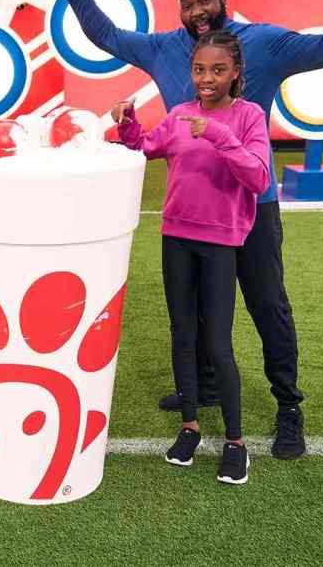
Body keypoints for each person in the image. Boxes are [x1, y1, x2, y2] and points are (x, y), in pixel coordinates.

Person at [53, 0, 323, 459]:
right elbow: (107, 36)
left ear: (224, 1)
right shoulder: (164, 48)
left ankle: (288, 407)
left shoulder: (262, 42)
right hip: (197, 212)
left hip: (252, 206)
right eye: (188, 4)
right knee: (195, 311)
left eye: (206, 1)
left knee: (267, 306)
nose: (198, 11)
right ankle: (207, 390)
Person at [114, 30, 270, 484]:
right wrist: (127, 123)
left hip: (221, 242)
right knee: (182, 335)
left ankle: (236, 443)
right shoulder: (180, 114)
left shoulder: (248, 117)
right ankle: (190, 426)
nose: (207, 78)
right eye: (200, 70)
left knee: (217, 343)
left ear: (236, 72)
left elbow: (258, 178)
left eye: (218, 70)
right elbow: (144, 146)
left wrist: (220, 135)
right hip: (176, 238)